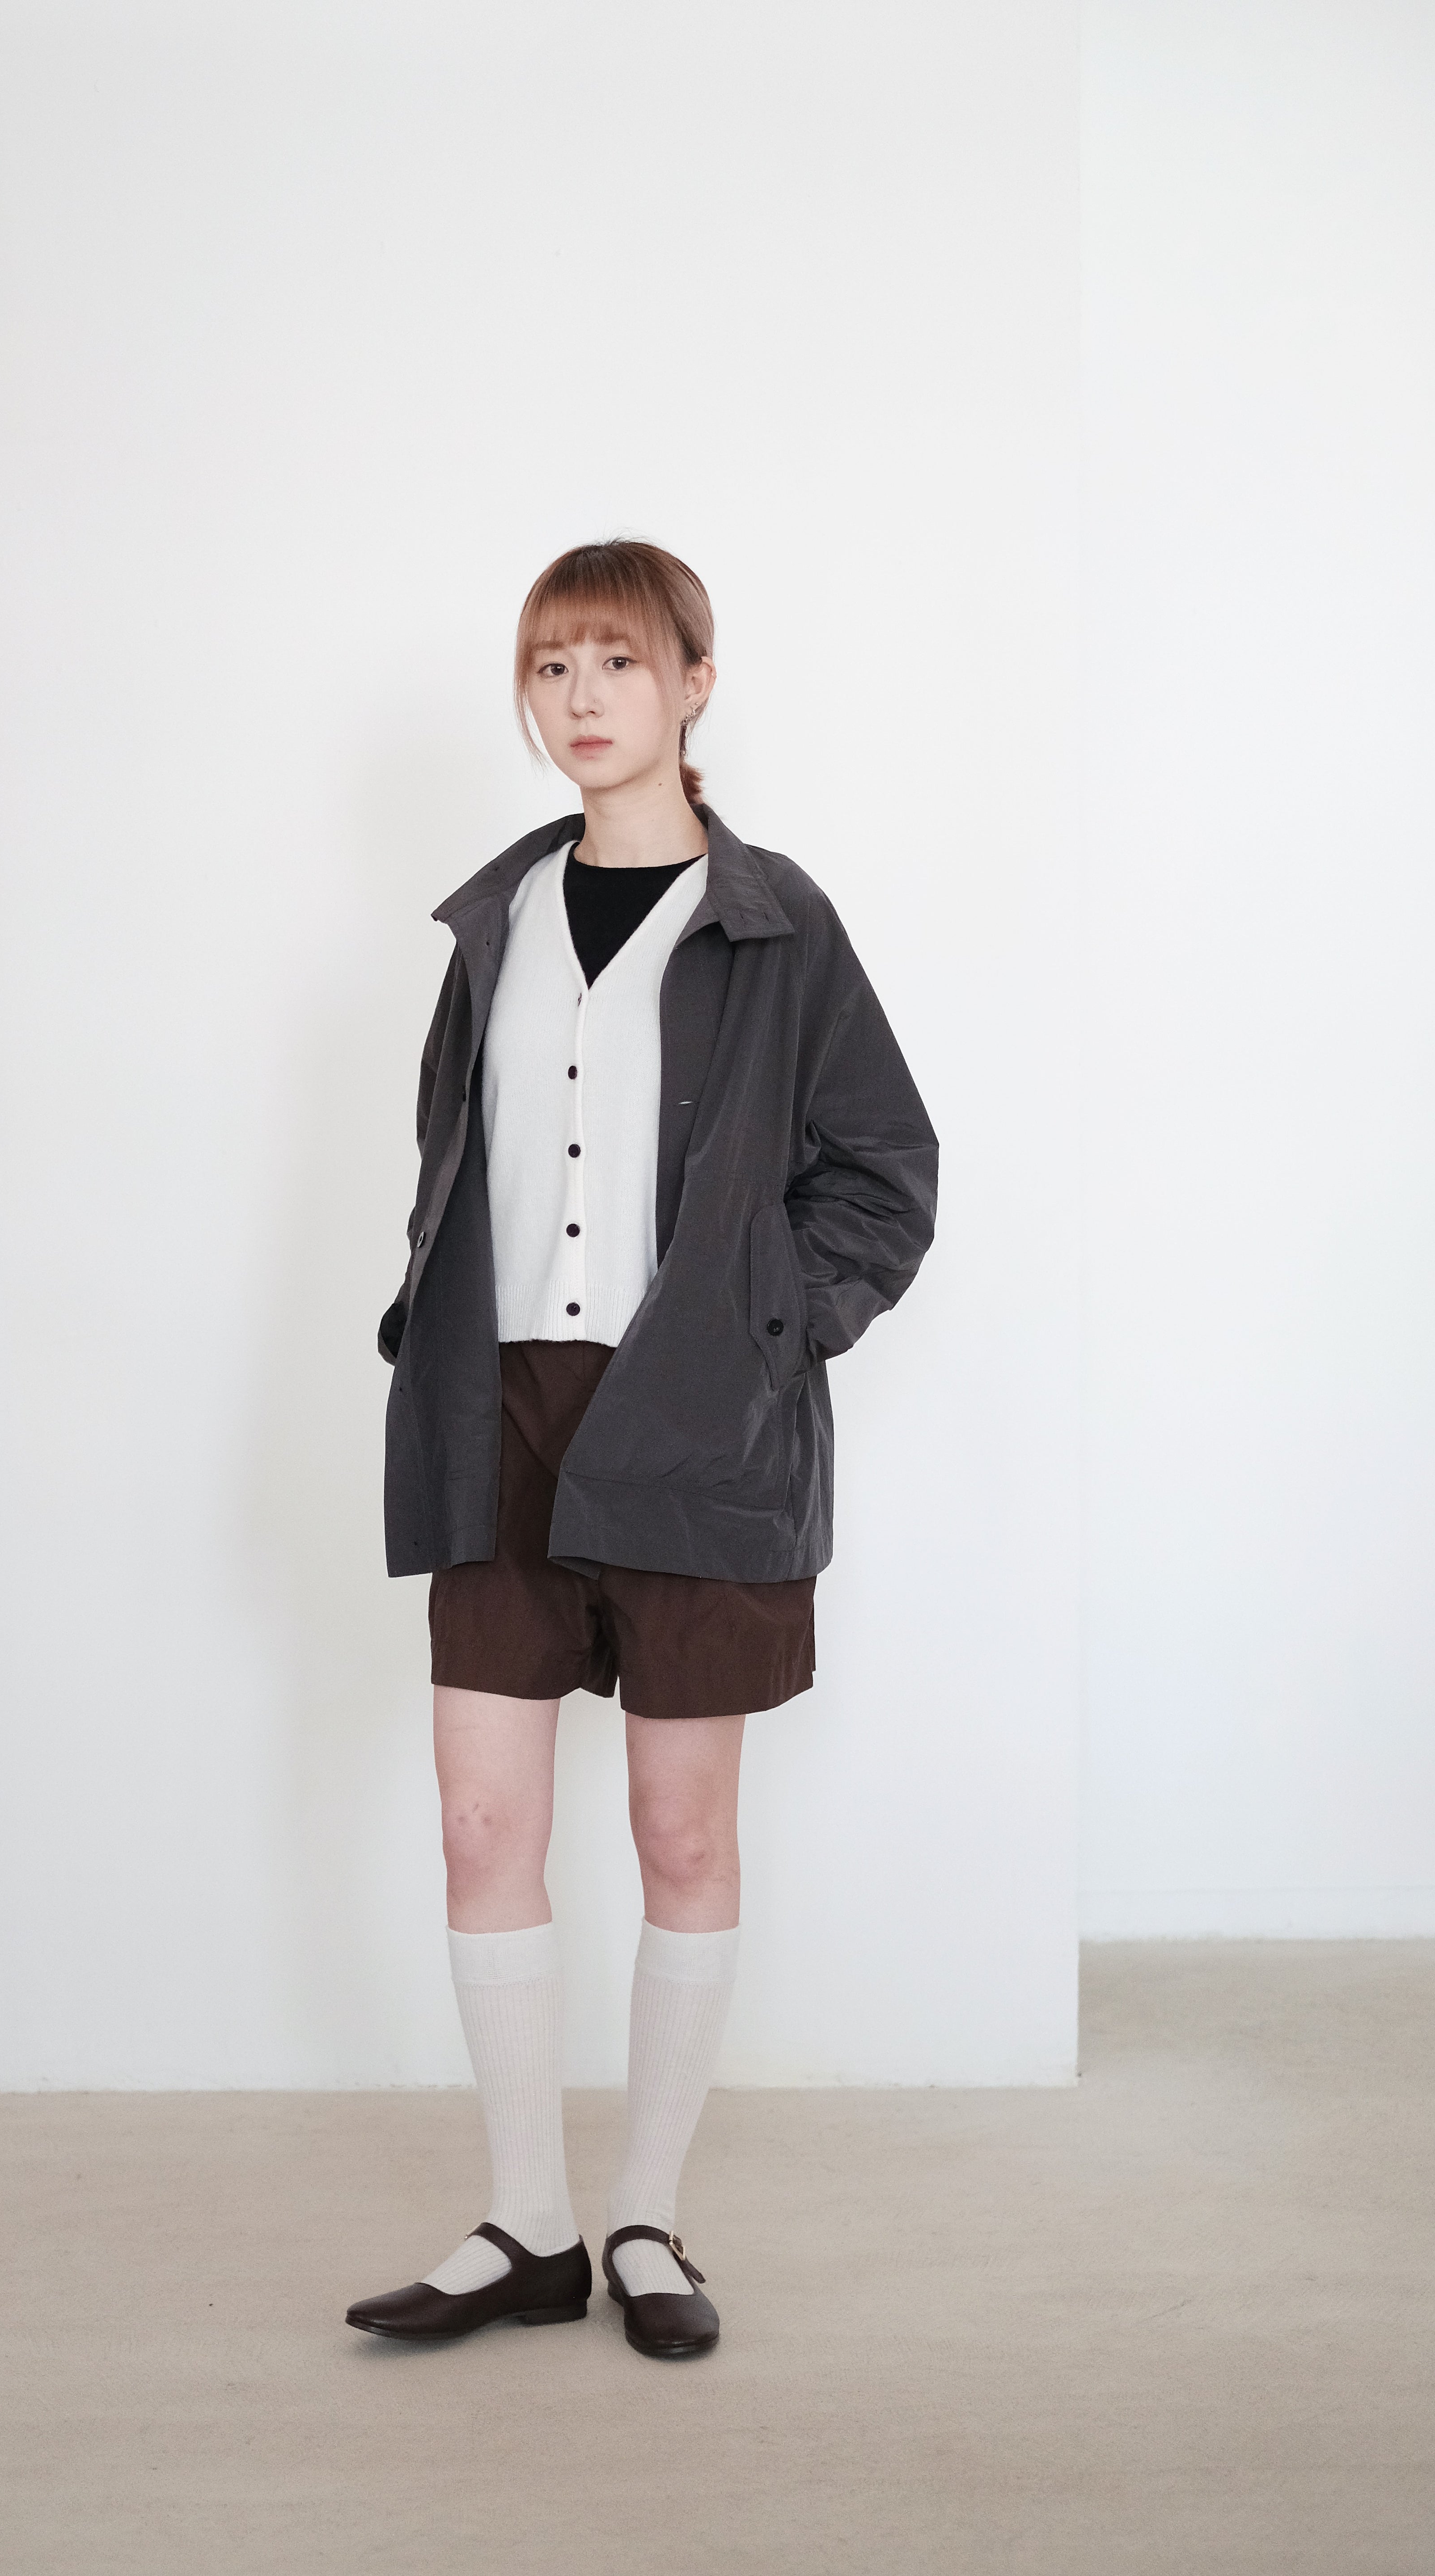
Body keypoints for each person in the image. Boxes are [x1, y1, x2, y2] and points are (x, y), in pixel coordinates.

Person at [346, 539, 938, 2360]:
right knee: (480, 1821)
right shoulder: (497, 925)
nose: (582, 698)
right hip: (498, 1410)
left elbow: (884, 1173)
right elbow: (458, 1165)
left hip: (695, 1417)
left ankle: (648, 2220)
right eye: (551, 668)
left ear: (694, 682)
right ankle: (527, 2222)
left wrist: (767, 1332)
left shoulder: (778, 925)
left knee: (682, 1831)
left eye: (616, 661)